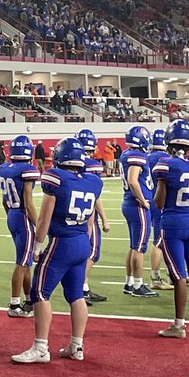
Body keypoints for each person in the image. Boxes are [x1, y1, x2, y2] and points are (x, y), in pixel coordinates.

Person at [11, 136, 101, 364]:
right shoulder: (92, 181)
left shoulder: (56, 178)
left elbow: (43, 219)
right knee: (76, 295)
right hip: (82, 241)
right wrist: (86, 242)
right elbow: (90, 221)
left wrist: (38, 245)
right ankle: (76, 345)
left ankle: (40, 347)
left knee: (39, 292)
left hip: (62, 241)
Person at [153, 120, 189, 338]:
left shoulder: (166, 165)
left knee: (178, 277)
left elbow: (159, 202)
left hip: (173, 223)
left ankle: (179, 326)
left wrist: (163, 184)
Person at [0, 134, 41, 316]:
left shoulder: (4, 168)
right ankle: (14, 305)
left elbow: (3, 201)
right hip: (22, 215)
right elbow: (29, 203)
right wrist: (39, 226)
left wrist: (12, 216)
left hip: (12, 214)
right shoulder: (27, 170)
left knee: (25, 262)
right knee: (22, 263)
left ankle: (29, 299)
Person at [118, 126, 158, 299]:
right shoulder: (137, 156)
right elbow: (133, 181)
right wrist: (143, 200)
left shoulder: (127, 154)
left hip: (129, 203)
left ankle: (129, 282)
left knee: (134, 246)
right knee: (139, 248)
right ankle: (138, 285)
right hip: (136, 205)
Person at [76, 128, 109, 304]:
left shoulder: (70, 164)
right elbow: (94, 195)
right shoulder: (93, 165)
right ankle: (79, 288)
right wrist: (104, 218)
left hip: (73, 214)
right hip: (88, 215)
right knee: (92, 252)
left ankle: (84, 288)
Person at [145, 128, 172, 291]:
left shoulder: (147, 157)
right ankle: (155, 278)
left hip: (151, 199)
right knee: (159, 241)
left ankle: (172, 273)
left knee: (164, 240)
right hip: (162, 201)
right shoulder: (165, 158)